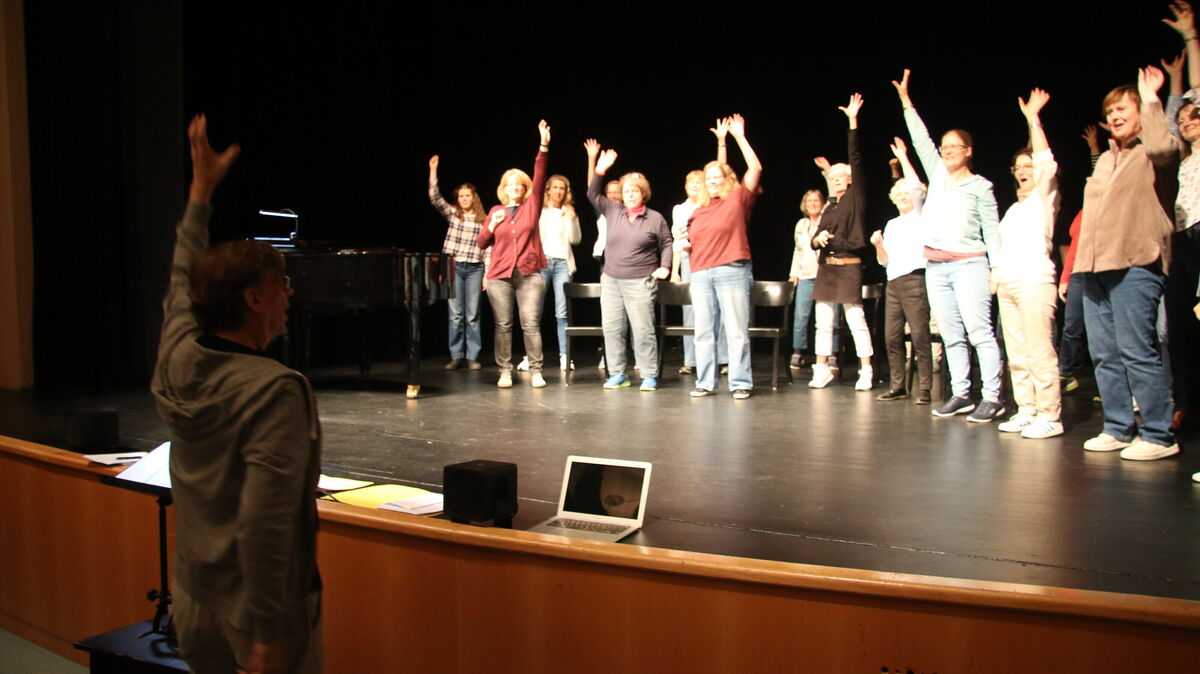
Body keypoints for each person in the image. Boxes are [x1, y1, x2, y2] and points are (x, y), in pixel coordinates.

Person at [153, 115, 322, 673]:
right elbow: (266, 522)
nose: (289, 295)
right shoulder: (273, 392)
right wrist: (270, 636)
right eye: (282, 284)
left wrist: (200, 194)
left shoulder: (178, 352)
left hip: (194, 597)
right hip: (254, 617)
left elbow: (183, 276)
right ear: (253, 300)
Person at [1074, 65, 1181, 460]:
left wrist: (1152, 98)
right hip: (1094, 267)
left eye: (1123, 108)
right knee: (1104, 353)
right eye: (1111, 110)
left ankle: (1158, 434)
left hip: (1137, 261)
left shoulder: (1153, 151)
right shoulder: (1104, 161)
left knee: (1138, 351)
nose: (1115, 116)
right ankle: (1118, 427)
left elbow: (1165, 147)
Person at [893, 68, 1004, 422]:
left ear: (969, 152)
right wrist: (907, 102)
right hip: (936, 267)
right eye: (946, 148)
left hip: (969, 264)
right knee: (953, 335)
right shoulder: (938, 174)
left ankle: (993, 396)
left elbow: (992, 229)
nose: (948, 151)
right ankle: (961, 393)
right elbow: (921, 139)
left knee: (979, 333)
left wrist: (997, 268)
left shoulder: (980, 187)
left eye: (956, 147)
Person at [992, 89, 1064, 439]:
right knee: (1017, 353)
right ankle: (1027, 409)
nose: (1023, 171)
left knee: (1039, 351)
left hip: (1035, 283)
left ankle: (1050, 414)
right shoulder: (1013, 210)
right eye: (1018, 168)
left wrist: (1033, 119)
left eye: (1028, 166)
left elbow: (1046, 161)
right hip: (1008, 285)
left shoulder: (1044, 198)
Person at [584, 139, 672, 391]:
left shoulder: (654, 218)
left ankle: (648, 374)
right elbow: (592, 193)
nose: (629, 194)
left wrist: (664, 267)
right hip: (611, 279)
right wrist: (600, 168)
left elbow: (666, 243)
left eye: (634, 190)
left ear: (643, 193)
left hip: (640, 280)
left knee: (643, 330)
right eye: (626, 191)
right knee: (612, 329)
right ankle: (618, 373)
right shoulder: (613, 210)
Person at [687, 113, 762, 399]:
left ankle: (741, 382)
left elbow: (755, 168)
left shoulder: (739, 198)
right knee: (704, 332)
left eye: (718, 177)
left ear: (728, 178)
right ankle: (705, 381)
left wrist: (737, 137)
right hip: (702, 274)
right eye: (708, 178)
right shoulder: (700, 209)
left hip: (732, 270)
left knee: (736, 331)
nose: (713, 181)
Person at [477, 120, 552, 389]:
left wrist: (543, 146)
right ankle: (505, 372)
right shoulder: (495, 211)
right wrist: (493, 225)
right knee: (503, 325)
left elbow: (540, 174)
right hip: (499, 276)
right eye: (509, 185)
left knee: (530, 324)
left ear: (524, 188)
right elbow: (481, 242)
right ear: (503, 188)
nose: (514, 188)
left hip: (529, 275)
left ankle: (535, 371)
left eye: (518, 185)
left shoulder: (532, 207)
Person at [808, 94, 874, 391]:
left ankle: (867, 371)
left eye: (840, 175)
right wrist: (817, 238)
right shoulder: (830, 206)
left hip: (848, 266)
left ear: (850, 179)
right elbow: (813, 239)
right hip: (827, 268)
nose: (835, 179)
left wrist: (852, 122)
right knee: (823, 321)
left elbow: (856, 158)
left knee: (855, 319)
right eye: (832, 176)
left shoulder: (855, 199)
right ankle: (821, 369)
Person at [870, 136, 933, 404]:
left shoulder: (921, 216)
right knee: (891, 337)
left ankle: (926, 389)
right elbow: (884, 261)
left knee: (919, 335)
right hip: (893, 282)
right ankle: (898, 386)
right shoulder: (892, 223)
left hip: (915, 279)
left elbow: (917, 188)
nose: (903, 198)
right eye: (899, 195)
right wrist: (878, 245)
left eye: (906, 194)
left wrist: (905, 157)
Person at [428, 155, 487, 371]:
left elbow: (488, 249)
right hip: (454, 267)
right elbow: (435, 198)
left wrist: (487, 275)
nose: (463, 199)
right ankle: (456, 355)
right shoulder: (454, 214)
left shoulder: (484, 220)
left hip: (474, 269)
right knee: (455, 315)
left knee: (472, 315)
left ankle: (472, 356)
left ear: (474, 198)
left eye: (467, 196)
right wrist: (433, 170)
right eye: (460, 196)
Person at [523, 175, 580, 372]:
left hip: (563, 263)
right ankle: (530, 356)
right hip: (542, 262)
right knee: (534, 312)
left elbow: (576, 239)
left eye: (562, 188)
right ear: (548, 190)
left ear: (566, 192)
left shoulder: (568, 212)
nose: (558, 191)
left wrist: (572, 219)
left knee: (562, 312)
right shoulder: (541, 211)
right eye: (554, 188)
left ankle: (565, 355)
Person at [788, 189, 827, 371]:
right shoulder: (801, 224)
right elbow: (798, 250)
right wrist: (794, 273)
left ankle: (831, 354)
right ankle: (798, 352)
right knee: (801, 316)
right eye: (809, 200)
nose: (812, 203)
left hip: (824, 276)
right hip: (805, 276)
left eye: (816, 200)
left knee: (828, 318)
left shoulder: (826, 221)